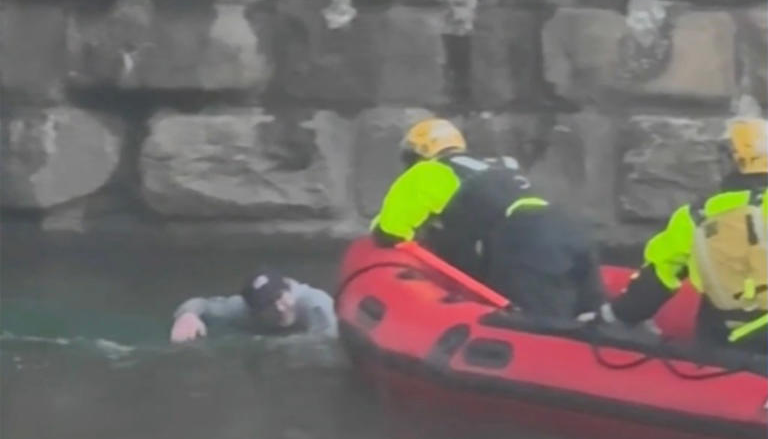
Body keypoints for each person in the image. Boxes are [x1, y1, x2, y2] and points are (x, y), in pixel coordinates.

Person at [370, 117, 604, 319]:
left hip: (523, 240)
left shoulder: (427, 172)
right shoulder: (501, 164)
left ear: (419, 154)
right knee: (592, 316)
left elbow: (390, 231)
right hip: (568, 228)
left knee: (536, 328)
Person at [595, 117, 767, 352]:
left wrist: (612, 317)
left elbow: (654, 283)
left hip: (726, 346)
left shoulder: (694, 217)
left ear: (732, 161)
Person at [170, 274, 337, 342]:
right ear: (255, 311)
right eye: (268, 305)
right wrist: (187, 315)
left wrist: (286, 344)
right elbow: (201, 304)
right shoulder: (243, 309)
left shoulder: (317, 306)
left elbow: (328, 344)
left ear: (289, 288)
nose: (279, 308)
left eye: (280, 297)